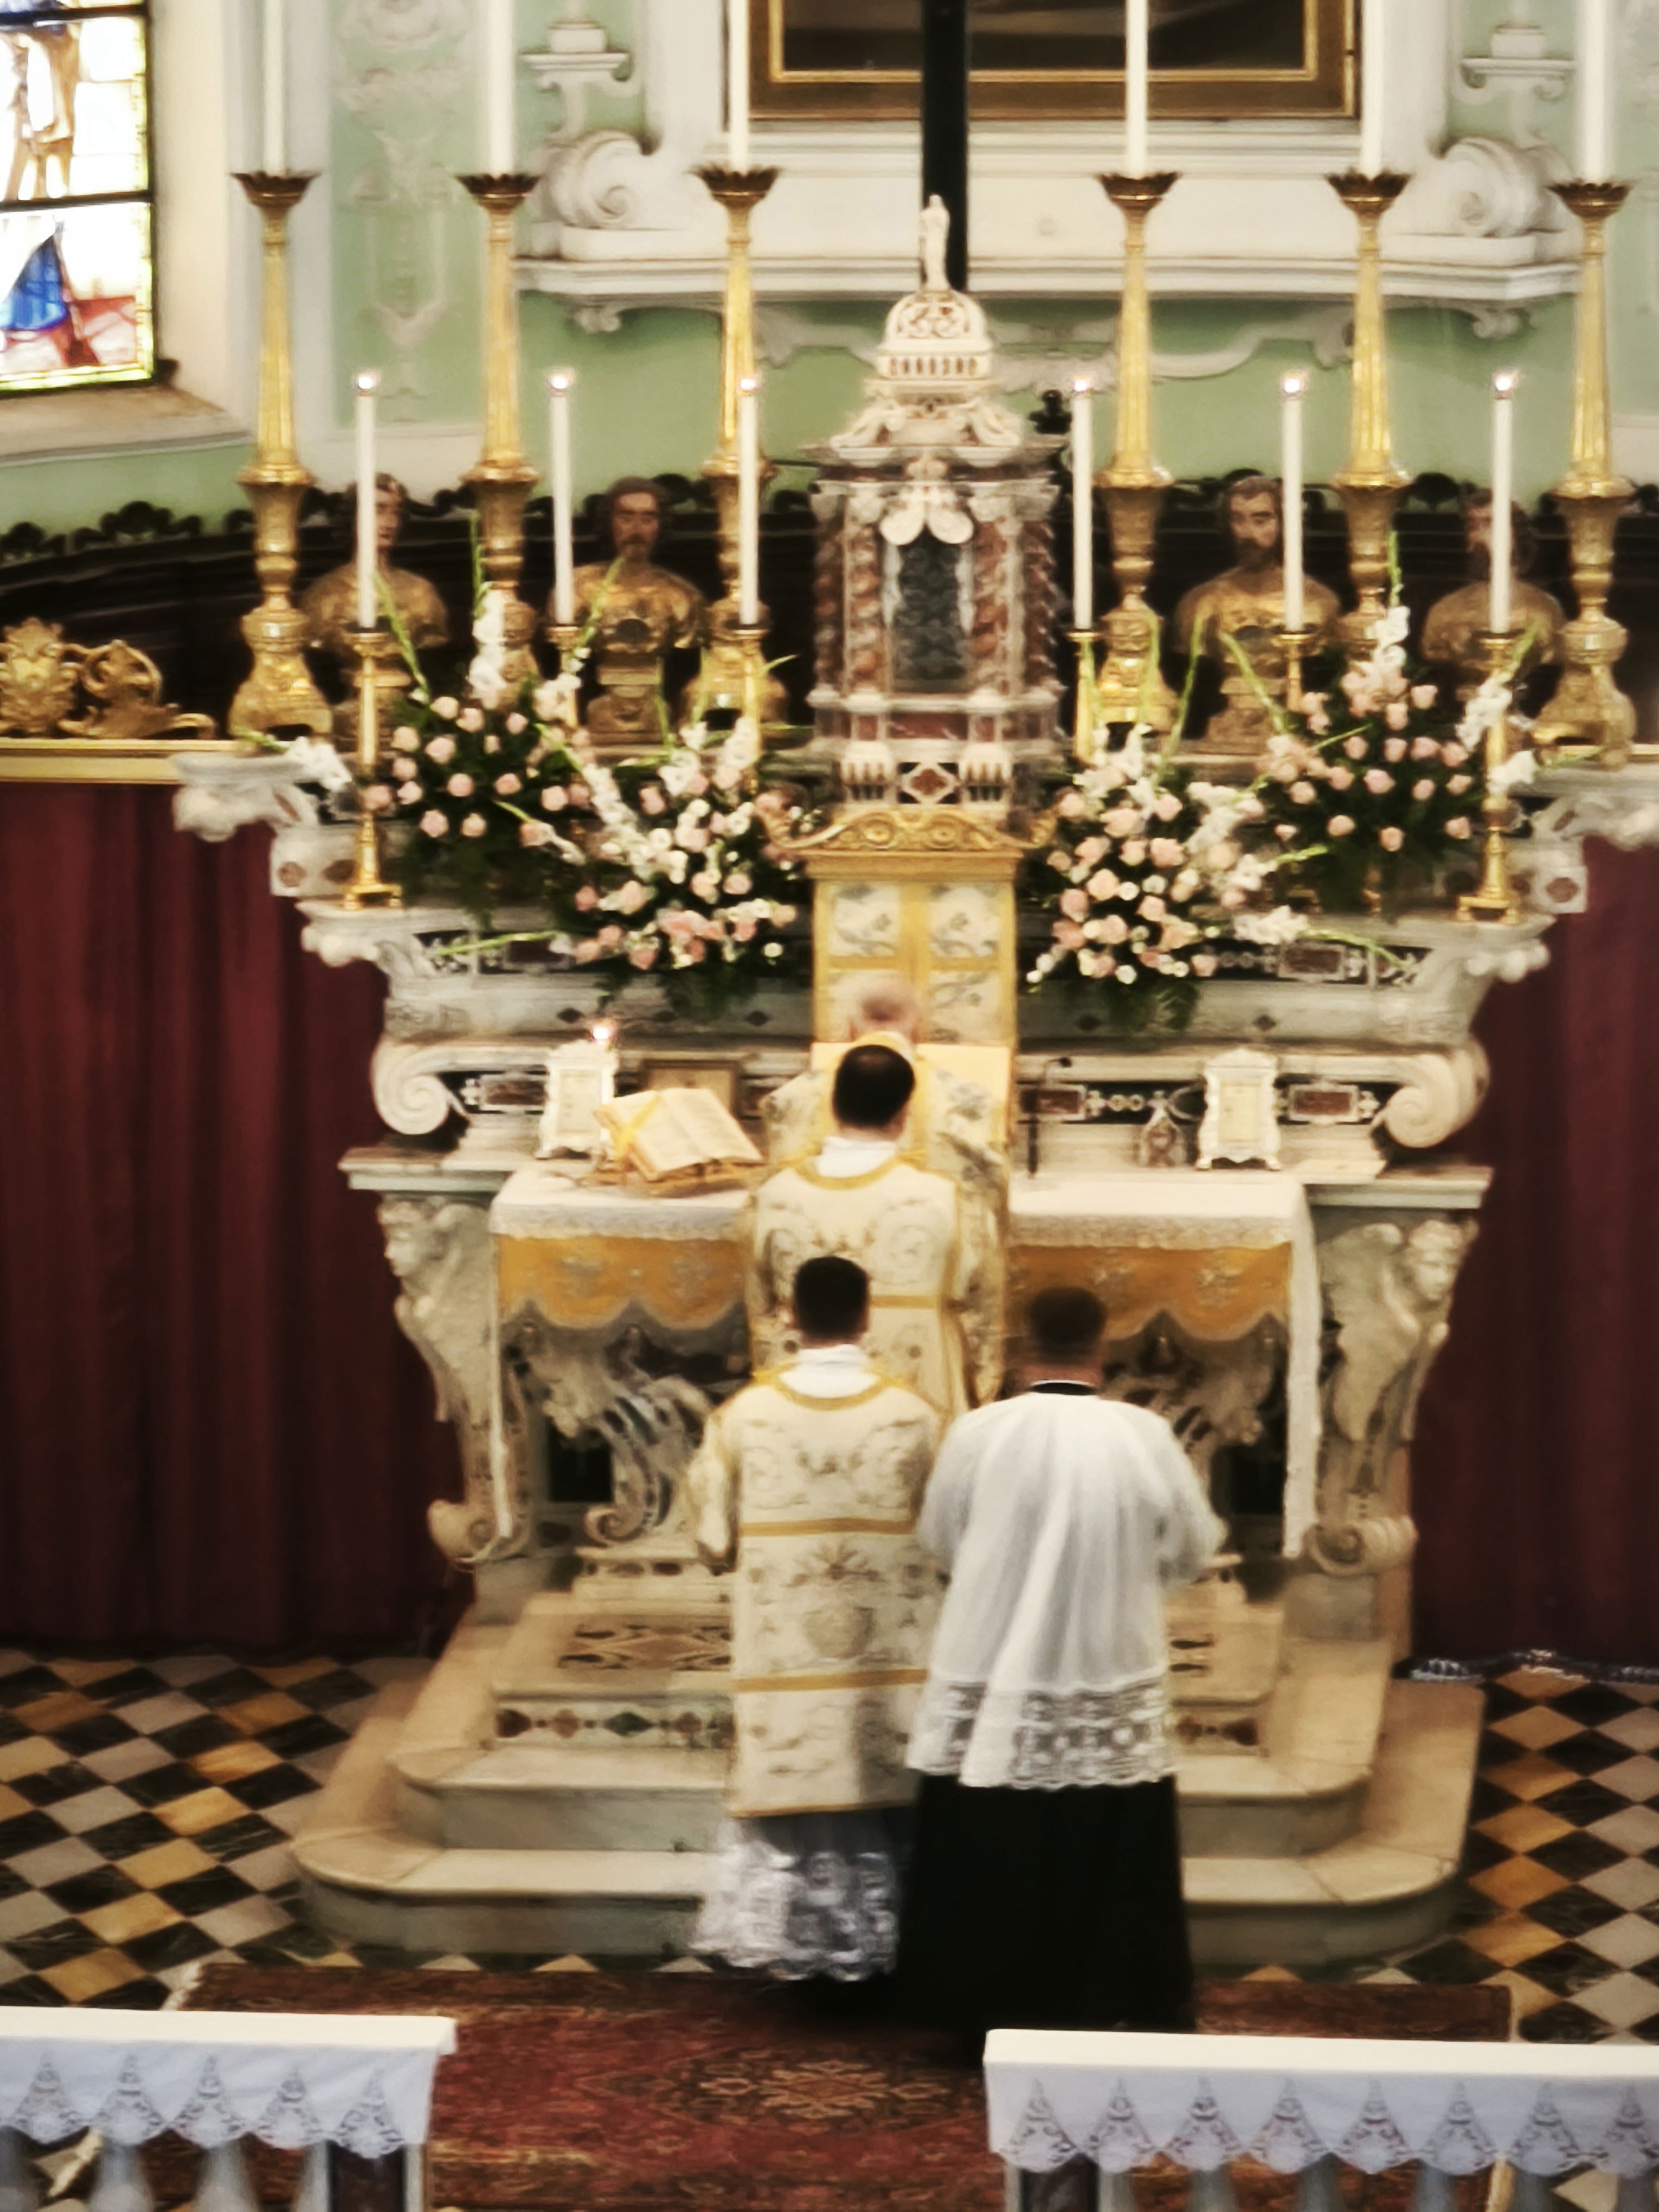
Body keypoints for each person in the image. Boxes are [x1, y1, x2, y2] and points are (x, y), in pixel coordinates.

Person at [897, 1284, 1224, 2039]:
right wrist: (1131, 1581)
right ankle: (1110, 2003)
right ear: (1102, 1348)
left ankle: (978, 2012)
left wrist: (997, 1579)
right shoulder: (1143, 1435)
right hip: (1108, 1658)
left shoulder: (978, 1432)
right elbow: (1195, 1545)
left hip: (991, 1663)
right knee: (1107, 1838)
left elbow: (938, 1538)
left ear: (1022, 1346)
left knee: (992, 1837)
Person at [686, 1254, 943, 1984]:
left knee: (797, 1767)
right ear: (867, 1316)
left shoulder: (742, 1417)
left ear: (791, 1316)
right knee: (883, 1778)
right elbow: (952, 1539)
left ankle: (794, 1941)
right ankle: (892, 1938)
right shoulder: (917, 1417)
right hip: (885, 1660)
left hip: (786, 1660)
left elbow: (711, 1540)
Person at [749, 1043, 1003, 1419]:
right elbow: (982, 1311)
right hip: (922, 1400)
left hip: (801, 1403)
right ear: (903, 1114)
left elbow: (760, 1312)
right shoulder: (948, 1199)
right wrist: (980, 1389)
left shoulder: (775, 1195)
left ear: (832, 1106)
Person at [762, 977, 1007, 1207]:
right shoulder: (967, 1103)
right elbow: (984, 1192)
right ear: (919, 1028)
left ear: (850, 1027)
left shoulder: (793, 1097)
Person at [301, 474, 449, 668]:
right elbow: (316, 638)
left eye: (396, 513)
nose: (390, 523)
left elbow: (433, 638)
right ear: (353, 518)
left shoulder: (420, 590)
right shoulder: (325, 592)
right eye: (379, 510)